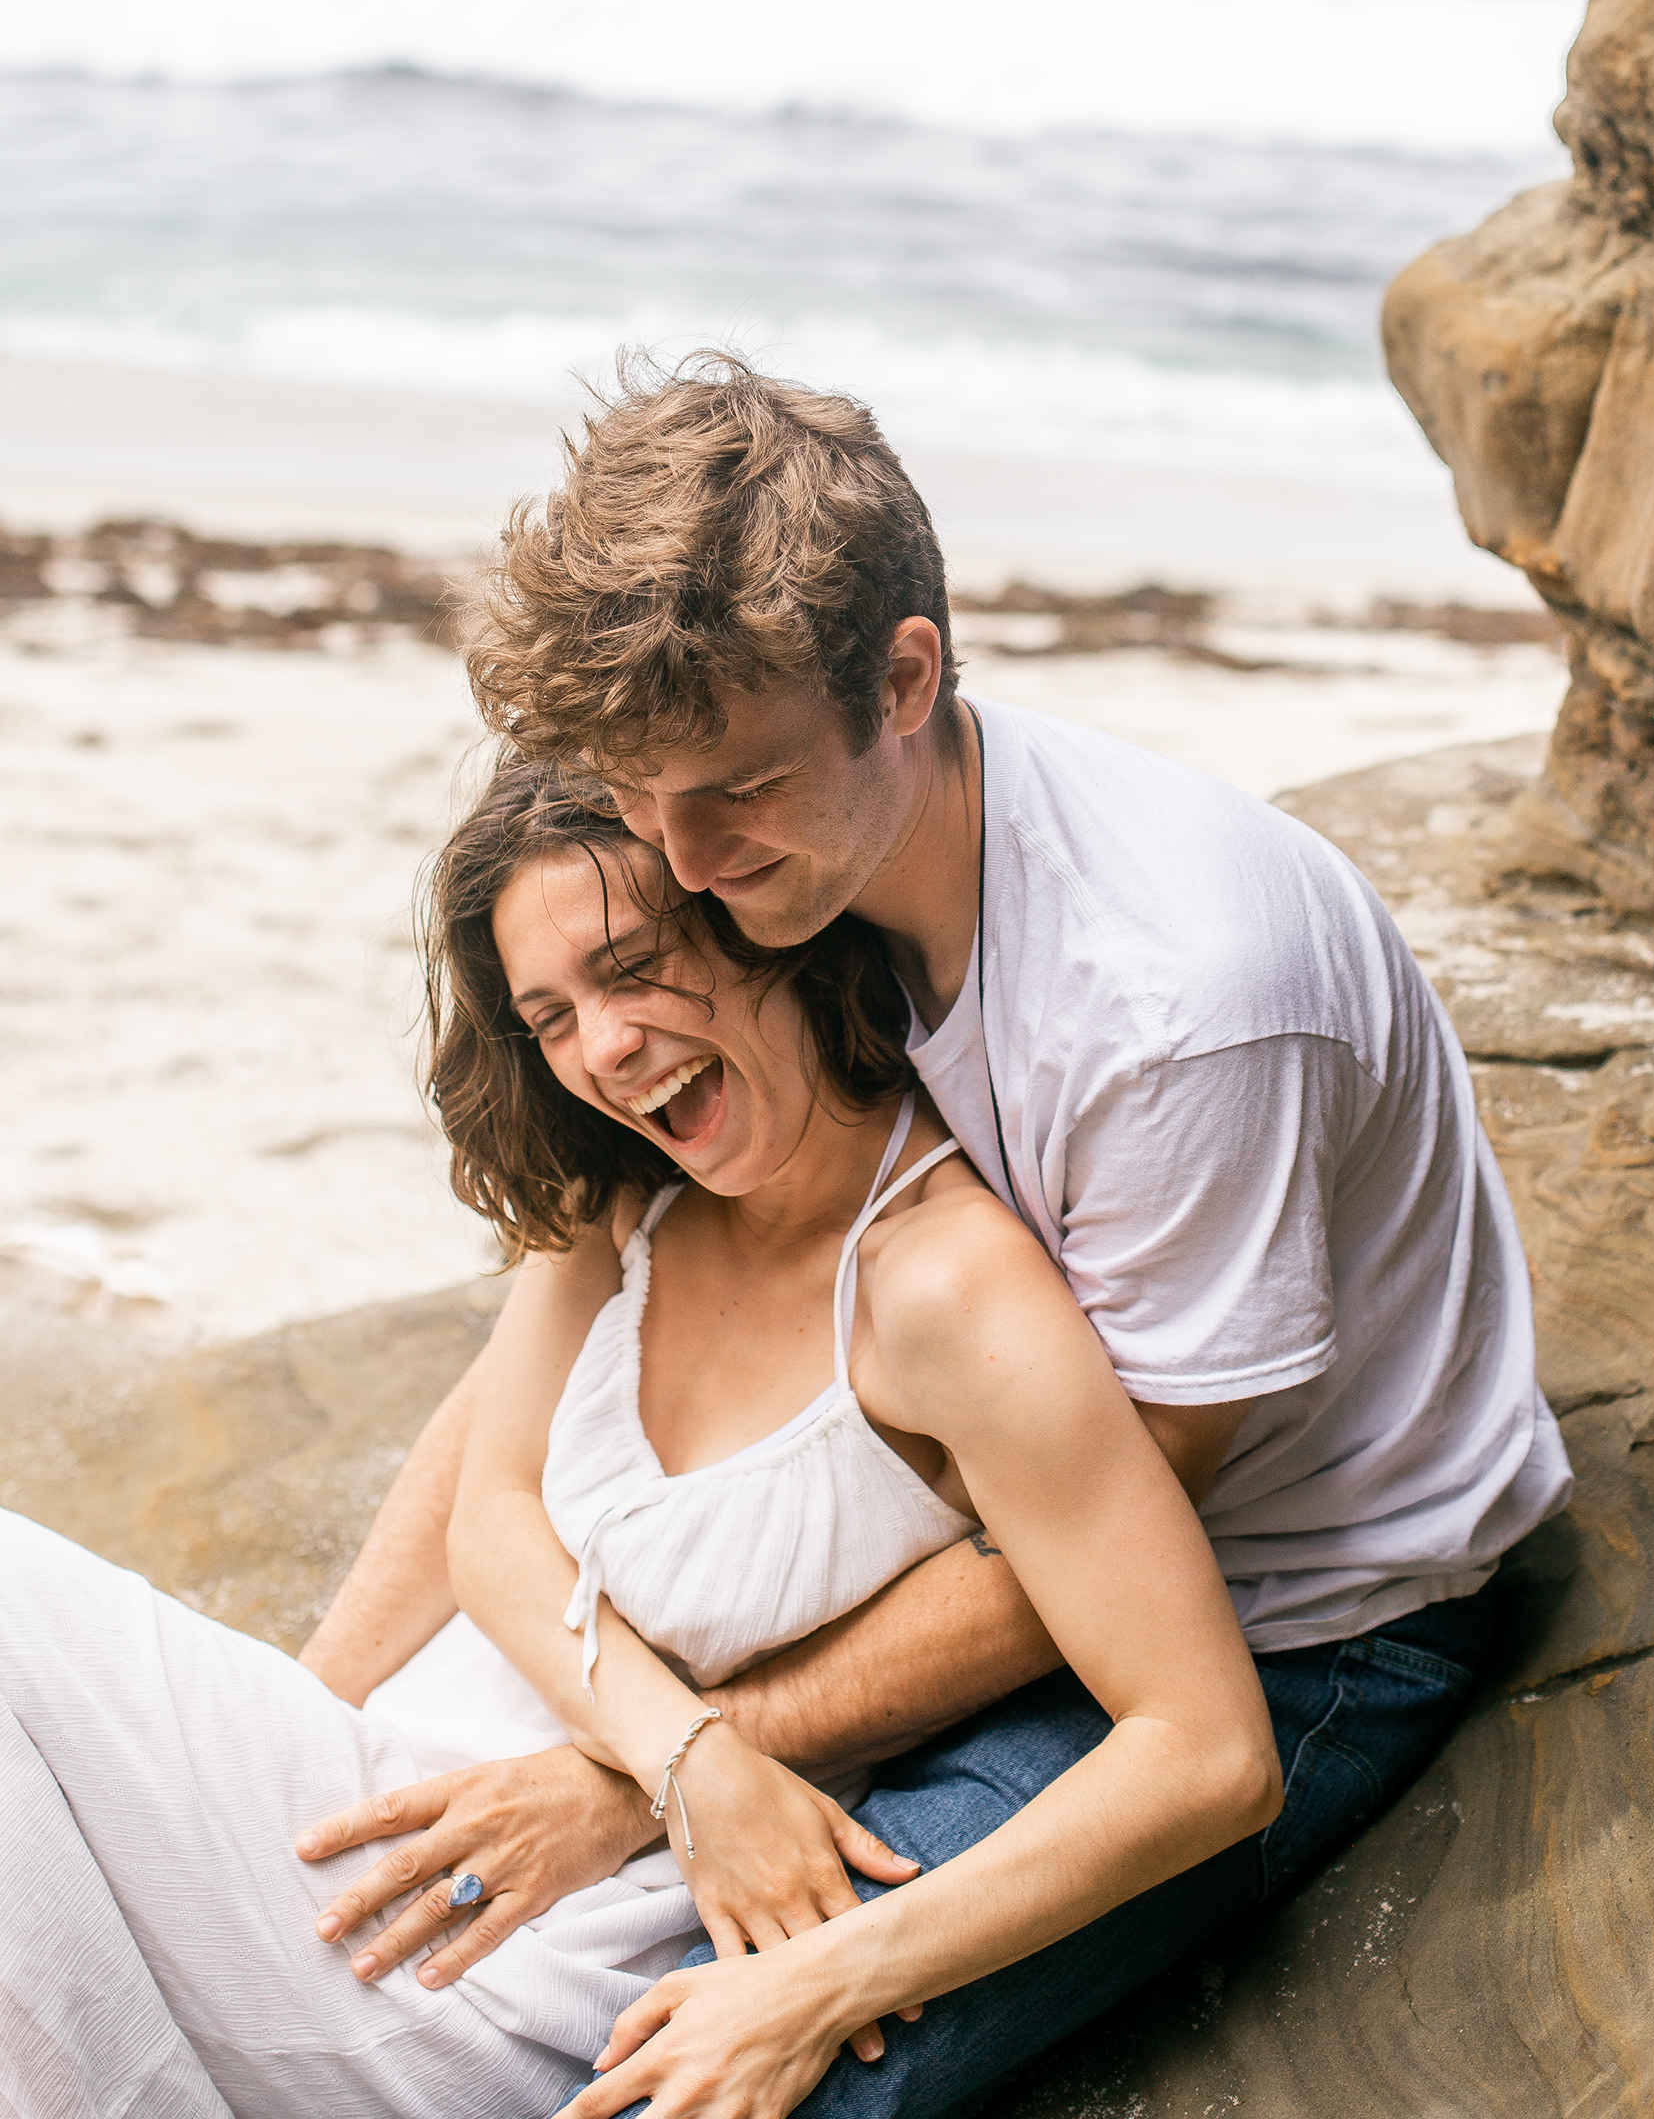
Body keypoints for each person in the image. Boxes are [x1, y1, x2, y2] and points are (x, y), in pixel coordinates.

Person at [298, 354, 1573, 2115]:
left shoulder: (1172, 1012)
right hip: (1007, 1518)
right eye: (642, 792)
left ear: (906, 678)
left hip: (1287, 1613)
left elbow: (1112, 1567)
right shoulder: (809, 867)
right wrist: (291, 1724)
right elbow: (567, 1338)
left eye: (729, 789)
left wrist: (652, 1778)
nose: (678, 857)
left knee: (713, 2080)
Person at [0, 759, 1283, 2119]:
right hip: (379, 1822)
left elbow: (1212, 1754)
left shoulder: (945, 1289)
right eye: (551, 1016)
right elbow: (490, 1521)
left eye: (633, 969)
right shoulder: (631, 1200)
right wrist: (684, 1760)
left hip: (499, 1961)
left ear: (765, 931)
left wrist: (806, 1951)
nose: (606, 1049)